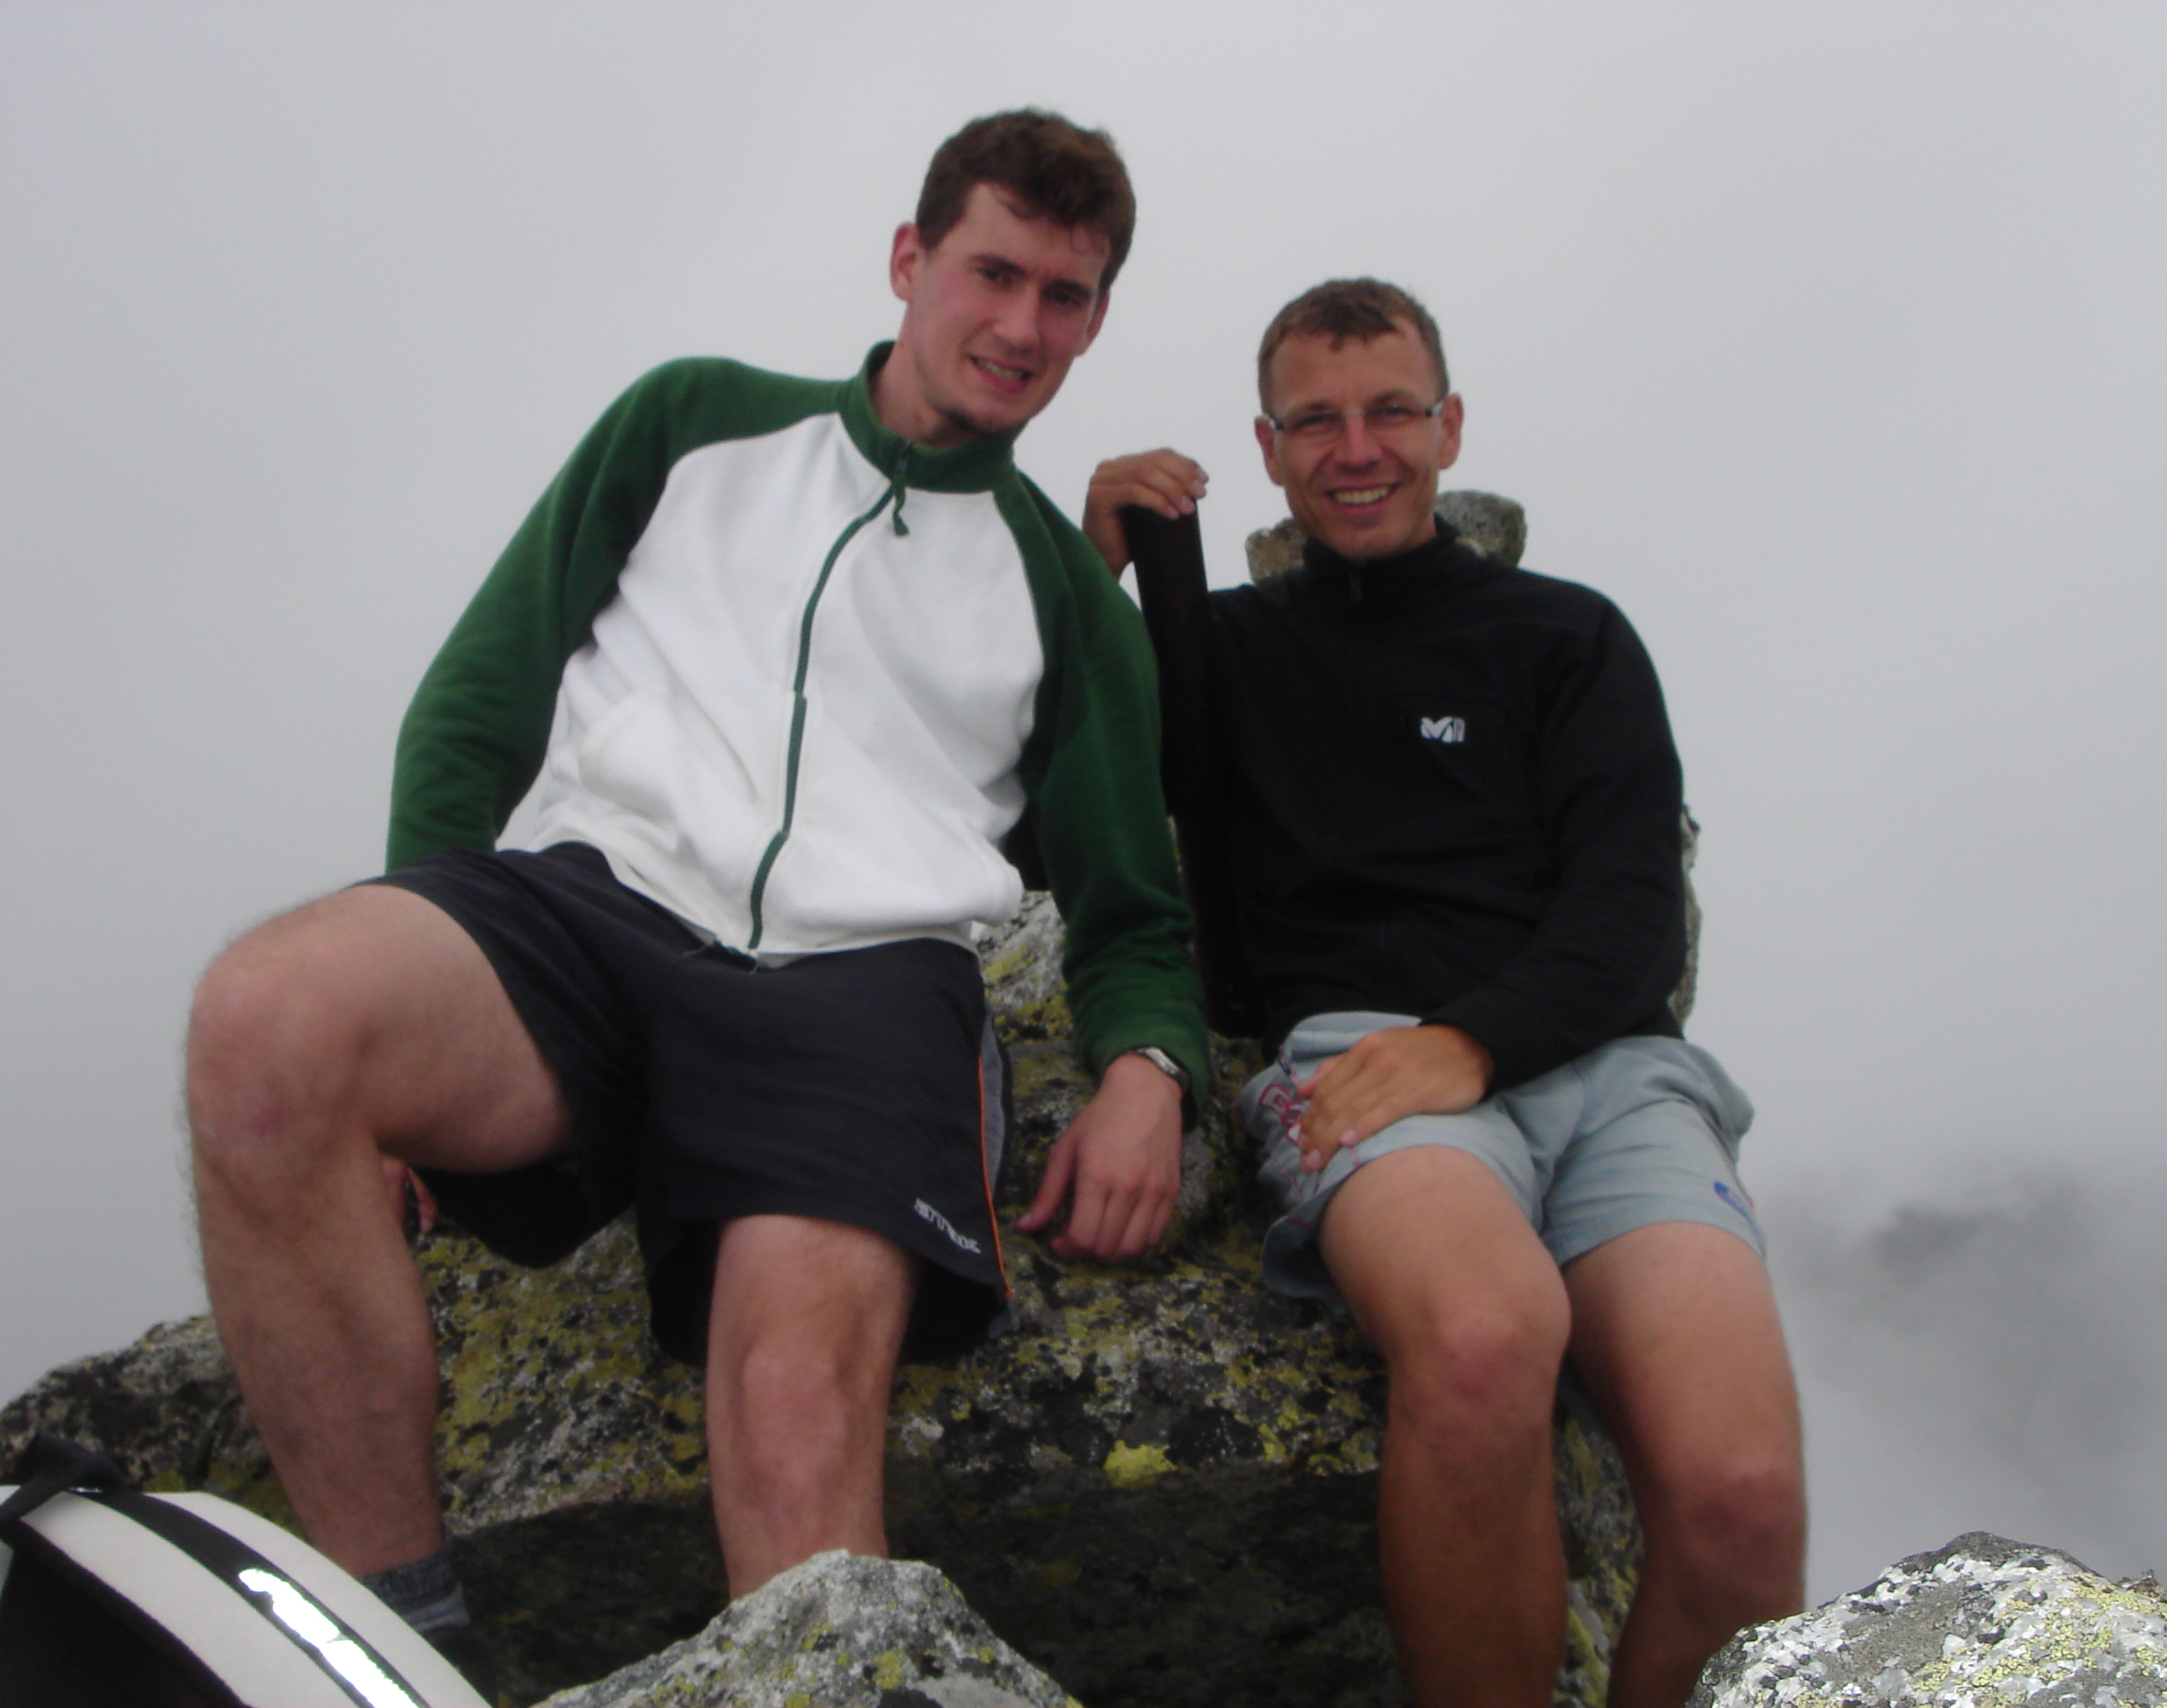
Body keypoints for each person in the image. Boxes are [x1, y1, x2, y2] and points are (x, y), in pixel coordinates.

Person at [184, 109, 1207, 1661]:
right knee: (265, 1018)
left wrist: (1149, 1073)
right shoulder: (694, 420)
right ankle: (399, 1643)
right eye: (993, 273)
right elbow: (476, 708)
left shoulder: (1065, 593)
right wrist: (410, 1028)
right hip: (592, 911)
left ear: (1098, 319)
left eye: (1064, 296)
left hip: (863, 991)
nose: (1021, 326)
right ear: (909, 258)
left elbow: (1132, 904)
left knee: (795, 1420)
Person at [1082, 279, 1804, 1708]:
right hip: (1363, 1055)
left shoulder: (1569, 638)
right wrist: (1083, 572)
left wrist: (1475, 1042)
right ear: (1269, 449)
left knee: (1744, 1500)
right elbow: (1017, 782)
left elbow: (1631, 913)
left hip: (1609, 1071)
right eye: (1317, 421)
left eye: (1392, 412)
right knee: (1483, 1339)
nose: (1358, 449)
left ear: (1449, 427)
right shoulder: (1215, 651)